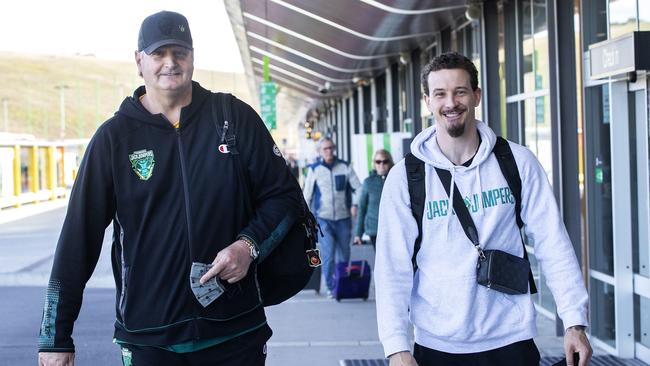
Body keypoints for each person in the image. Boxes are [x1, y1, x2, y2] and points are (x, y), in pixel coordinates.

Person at [38, 11, 301, 366]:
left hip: (236, 331)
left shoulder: (232, 118)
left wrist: (248, 246)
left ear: (192, 57)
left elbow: (284, 197)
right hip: (150, 339)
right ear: (139, 61)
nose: (170, 63)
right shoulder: (114, 139)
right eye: (158, 54)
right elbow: (77, 238)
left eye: (179, 52)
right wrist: (55, 337)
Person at [374, 52, 592, 366]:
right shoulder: (406, 178)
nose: (451, 102)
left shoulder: (517, 162)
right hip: (437, 346)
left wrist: (574, 321)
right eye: (440, 94)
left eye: (460, 91)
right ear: (427, 101)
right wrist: (396, 348)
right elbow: (391, 268)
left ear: (477, 95)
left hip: (511, 341)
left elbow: (553, 243)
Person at [303, 137, 361, 296]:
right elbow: (306, 196)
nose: (328, 151)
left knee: (344, 254)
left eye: (330, 148)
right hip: (323, 219)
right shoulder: (314, 169)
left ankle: (342, 284)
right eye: (325, 149)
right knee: (328, 255)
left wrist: (355, 204)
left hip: (343, 219)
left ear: (334, 148)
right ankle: (330, 287)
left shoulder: (345, 167)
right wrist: (307, 218)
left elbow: (359, 189)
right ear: (320, 152)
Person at [353, 149, 393, 249]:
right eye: (378, 162)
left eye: (385, 161)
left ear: (390, 162)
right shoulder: (367, 183)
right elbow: (362, 208)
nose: (381, 165)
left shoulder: (396, 179)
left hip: (393, 228)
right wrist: (358, 233)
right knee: (381, 260)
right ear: (374, 164)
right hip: (375, 229)